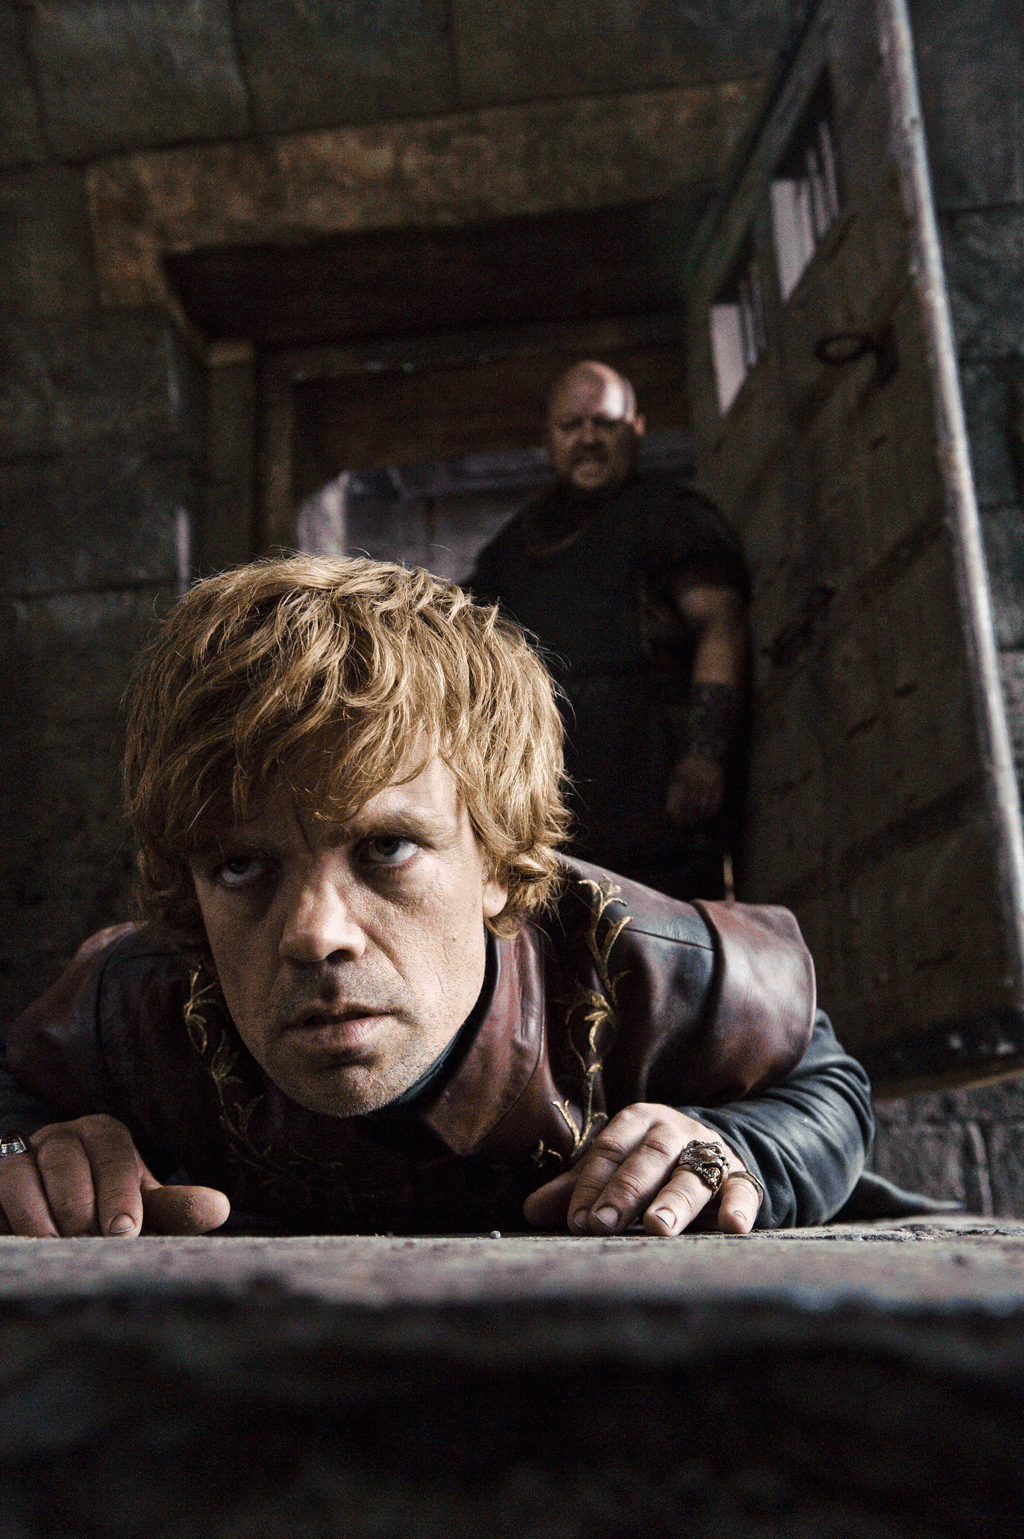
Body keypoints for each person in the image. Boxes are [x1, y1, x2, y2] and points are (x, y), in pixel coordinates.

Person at [0, 555, 872, 1239]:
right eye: (239, 865)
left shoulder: (650, 964)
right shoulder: (135, 1003)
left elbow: (827, 1084)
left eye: (385, 847)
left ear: (496, 858)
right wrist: (30, 1152)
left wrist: (736, 1149)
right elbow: (14, 1094)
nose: (316, 934)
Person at [470, 361, 749, 899]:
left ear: (637, 430)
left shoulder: (669, 516)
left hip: (656, 800)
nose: (588, 440)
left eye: (605, 423)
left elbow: (721, 626)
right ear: (548, 437)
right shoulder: (512, 549)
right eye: (571, 426)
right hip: (554, 810)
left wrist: (704, 755)